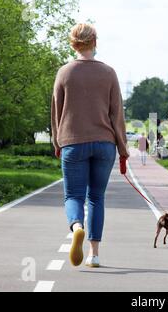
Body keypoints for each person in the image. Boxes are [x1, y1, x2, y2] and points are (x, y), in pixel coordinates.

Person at [51, 23, 129, 268]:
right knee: (96, 197)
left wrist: (57, 142)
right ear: (95, 42)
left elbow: (56, 111)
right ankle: (94, 255)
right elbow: (117, 114)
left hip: (73, 143)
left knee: (74, 195)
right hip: (105, 144)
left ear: (73, 44)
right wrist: (123, 150)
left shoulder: (64, 73)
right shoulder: (109, 73)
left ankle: (77, 227)